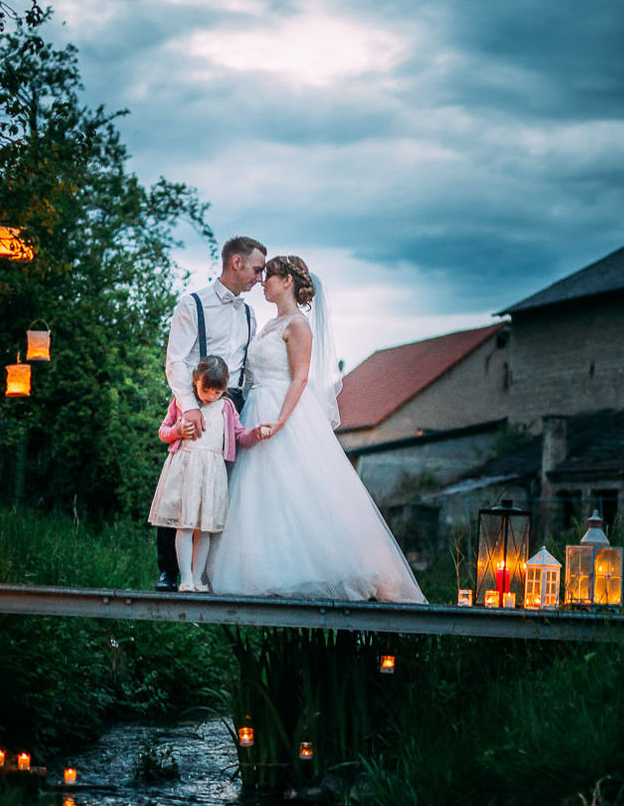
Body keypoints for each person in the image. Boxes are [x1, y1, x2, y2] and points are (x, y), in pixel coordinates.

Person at [207, 255, 427, 604]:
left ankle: (322, 569)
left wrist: (281, 420)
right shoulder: (269, 324)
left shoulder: (298, 325)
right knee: (261, 490)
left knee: (295, 487)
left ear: (288, 282)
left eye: (270, 277)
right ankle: (266, 566)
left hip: (284, 408)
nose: (263, 282)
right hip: (257, 407)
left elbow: (301, 376)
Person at [156, 234, 267, 589]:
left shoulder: (249, 312)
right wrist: (189, 408)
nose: (259, 278)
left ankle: (206, 572)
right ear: (237, 262)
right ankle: (169, 571)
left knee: (218, 489)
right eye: (256, 269)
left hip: (233, 403)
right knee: (183, 484)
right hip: (198, 398)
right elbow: (175, 361)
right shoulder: (194, 304)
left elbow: (246, 365)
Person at [148, 356, 262, 593]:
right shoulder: (182, 403)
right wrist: (177, 430)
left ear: (225, 388)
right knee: (185, 524)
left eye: (217, 391)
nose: (211, 395)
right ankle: (185, 578)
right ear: (195, 381)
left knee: (206, 527)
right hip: (186, 469)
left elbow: (240, 435)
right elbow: (163, 431)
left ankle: (198, 578)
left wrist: (256, 434)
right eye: (206, 389)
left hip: (212, 471)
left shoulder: (227, 407)